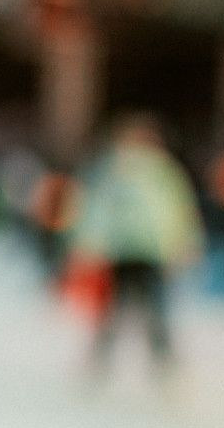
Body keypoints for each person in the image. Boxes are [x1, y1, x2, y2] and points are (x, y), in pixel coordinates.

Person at [71, 116, 203, 377]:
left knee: (148, 310)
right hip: (126, 251)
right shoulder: (115, 172)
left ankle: (160, 363)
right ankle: (105, 362)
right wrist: (88, 245)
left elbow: (177, 212)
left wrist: (183, 243)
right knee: (121, 311)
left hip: (147, 251)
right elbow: (97, 211)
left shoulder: (159, 173)